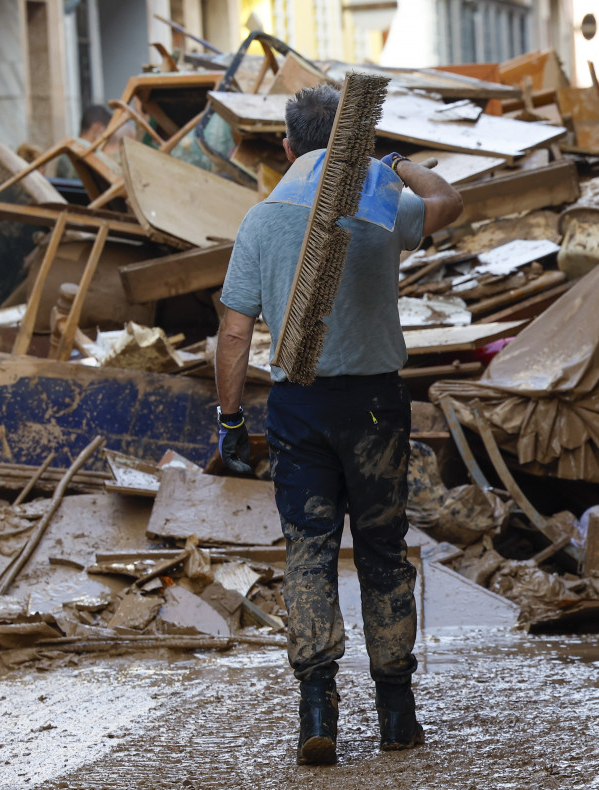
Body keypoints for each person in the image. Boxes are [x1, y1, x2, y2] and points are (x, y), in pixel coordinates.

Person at [214, 84, 463, 766]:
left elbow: (234, 334)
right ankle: (395, 715)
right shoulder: (380, 206)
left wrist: (230, 420)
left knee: (309, 552)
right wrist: (398, 163)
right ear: (355, 144)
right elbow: (450, 202)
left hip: (299, 407)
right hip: (377, 406)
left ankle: (315, 713)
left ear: (286, 147)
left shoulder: (262, 219)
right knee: (382, 552)